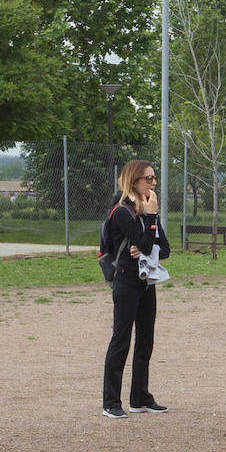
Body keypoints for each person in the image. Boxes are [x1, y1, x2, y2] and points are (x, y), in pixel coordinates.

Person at [101, 159, 171, 418]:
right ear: (134, 181)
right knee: (121, 340)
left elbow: (164, 249)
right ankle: (111, 402)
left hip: (146, 283)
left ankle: (139, 397)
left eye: (154, 178)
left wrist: (145, 243)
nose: (154, 183)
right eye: (149, 179)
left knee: (146, 341)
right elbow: (144, 240)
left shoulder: (148, 211)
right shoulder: (122, 212)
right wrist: (150, 220)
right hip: (126, 281)